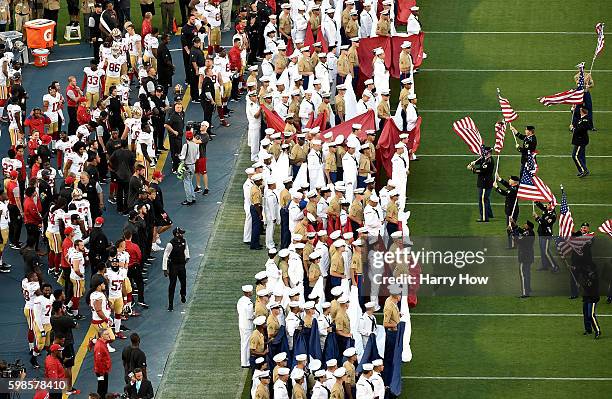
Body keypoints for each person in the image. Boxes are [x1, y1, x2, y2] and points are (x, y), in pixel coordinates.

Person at [162, 227, 190, 311]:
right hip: (173, 266)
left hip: (181, 265)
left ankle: (183, 294)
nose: (182, 234)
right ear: (177, 234)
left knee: (183, 282)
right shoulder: (170, 244)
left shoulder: (184, 241)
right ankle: (170, 304)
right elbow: (165, 256)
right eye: (181, 233)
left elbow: (186, 249)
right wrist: (165, 269)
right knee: (172, 285)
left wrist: (187, 257)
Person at [467, 147, 494, 222]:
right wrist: (474, 162)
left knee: (482, 199)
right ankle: (489, 214)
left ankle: (484, 218)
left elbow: (482, 171)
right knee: (486, 198)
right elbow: (480, 160)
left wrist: (472, 169)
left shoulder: (488, 161)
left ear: (488, 153)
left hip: (485, 183)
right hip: (484, 182)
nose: (483, 152)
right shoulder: (485, 158)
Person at [510, 220, 535, 298]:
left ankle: (525, 293)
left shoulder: (527, 234)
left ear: (528, 227)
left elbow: (518, 241)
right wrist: (514, 225)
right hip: (529, 256)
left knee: (523, 274)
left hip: (524, 256)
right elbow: (521, 230)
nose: (524, 225)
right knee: (527, 273)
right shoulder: (530, 233)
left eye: (526, 224)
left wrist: (511, 232)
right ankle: (528, 288)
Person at [494, 174, 520, 249]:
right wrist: (499, 179)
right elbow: (508, 185)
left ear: (514, 182)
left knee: (510, 228)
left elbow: (504, 193)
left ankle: (512, 245)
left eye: (510, 179)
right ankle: (514, 243)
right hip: (511, 210)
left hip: (512, 211)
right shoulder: (514, 187)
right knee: (512, 227)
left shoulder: (513, 189)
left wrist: (496, 187)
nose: (509, 180)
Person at [533, 202, 559, 272]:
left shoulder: (553, 215)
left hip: (546, 235)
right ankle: (545, 265)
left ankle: (555, 266)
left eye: (548, 205)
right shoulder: (547, 209)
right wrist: (536, 201)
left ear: (552, 207)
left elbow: (545, 224)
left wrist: (537, 218)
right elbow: (541, 206)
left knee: (546, 251)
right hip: (541, 233)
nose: (546, 205)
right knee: (542, 250)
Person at [165, 101, 185, 174]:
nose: (179, 109)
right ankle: (174, 168)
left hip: (179, 136)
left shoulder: (182, 113)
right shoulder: (173, 116)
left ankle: (178, 163)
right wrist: (173, 131)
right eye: (177, 107)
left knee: (179, 151)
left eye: (180, 107)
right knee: (175, 152)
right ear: (175, 108)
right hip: (174, 137)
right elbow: (166, 125)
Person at [179, 130, 199, 205]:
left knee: (186, 182)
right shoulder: (196, 144)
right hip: (193, 165)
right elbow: (197, 156)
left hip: (187, 165)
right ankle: (193, 197)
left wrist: (179, 156)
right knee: (190, 181)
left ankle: (189, 199)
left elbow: (182, 157)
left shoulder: (185, 146)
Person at [237, 285, 254, 368]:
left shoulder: (240, 300)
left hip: (241, 323)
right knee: (246, 344)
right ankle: (246, 362)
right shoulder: (249, 303)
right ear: (249, 293)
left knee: (244, 343)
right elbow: (250, 316)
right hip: (247, 325)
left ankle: (244, 361)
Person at [570, 107, 590, 178]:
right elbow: (575, 116)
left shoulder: (585, 120)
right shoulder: (582, 118)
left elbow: (581, 130)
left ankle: (584, 170)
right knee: (580, 156)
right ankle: (582, 171)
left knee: (575, 156)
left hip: (581, 141)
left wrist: (573, 129)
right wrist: (572, 109)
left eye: (580, 110)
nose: (579, 110)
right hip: (579, 141)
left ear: (582, 111)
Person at [93, 328, 113, 397]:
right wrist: (102, 372)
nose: (108, 335)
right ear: (102, 336)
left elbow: (112, 339)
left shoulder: (102, 343)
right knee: (102, 387)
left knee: (103, 386)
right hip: (101, 371)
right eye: (106, 334)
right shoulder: (99, 346)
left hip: (103, 370)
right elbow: (98, 361)